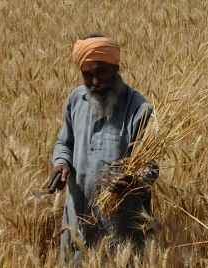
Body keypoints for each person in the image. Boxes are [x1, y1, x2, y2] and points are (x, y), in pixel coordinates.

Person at [49, 34, 159, 265]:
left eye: (101, 72)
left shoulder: (140, 109)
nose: (95, 82)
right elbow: (64, 142)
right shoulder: (76, 99)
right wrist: (61, 163)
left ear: (116, 67)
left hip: (120, 225)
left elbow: (151, 166)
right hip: (77, 218)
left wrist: (134, 180)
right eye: (87, 75)